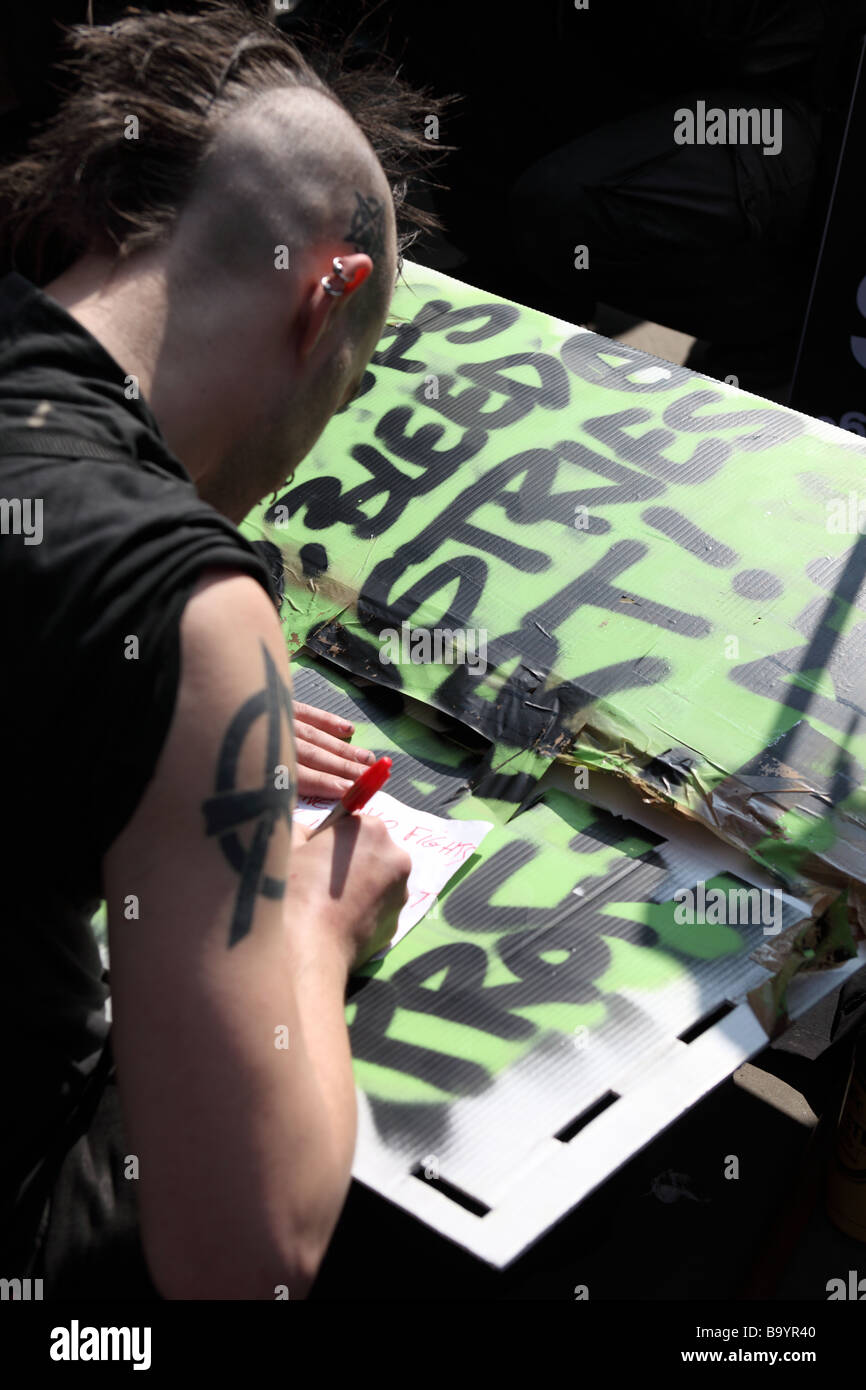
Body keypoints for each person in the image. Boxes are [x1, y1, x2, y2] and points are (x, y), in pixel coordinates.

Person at [0, 2, 442, 1299]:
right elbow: (245, 1254)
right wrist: (312, 922)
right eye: (347, 388)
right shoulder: (178, 597)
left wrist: (159, 753)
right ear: (329, 295)